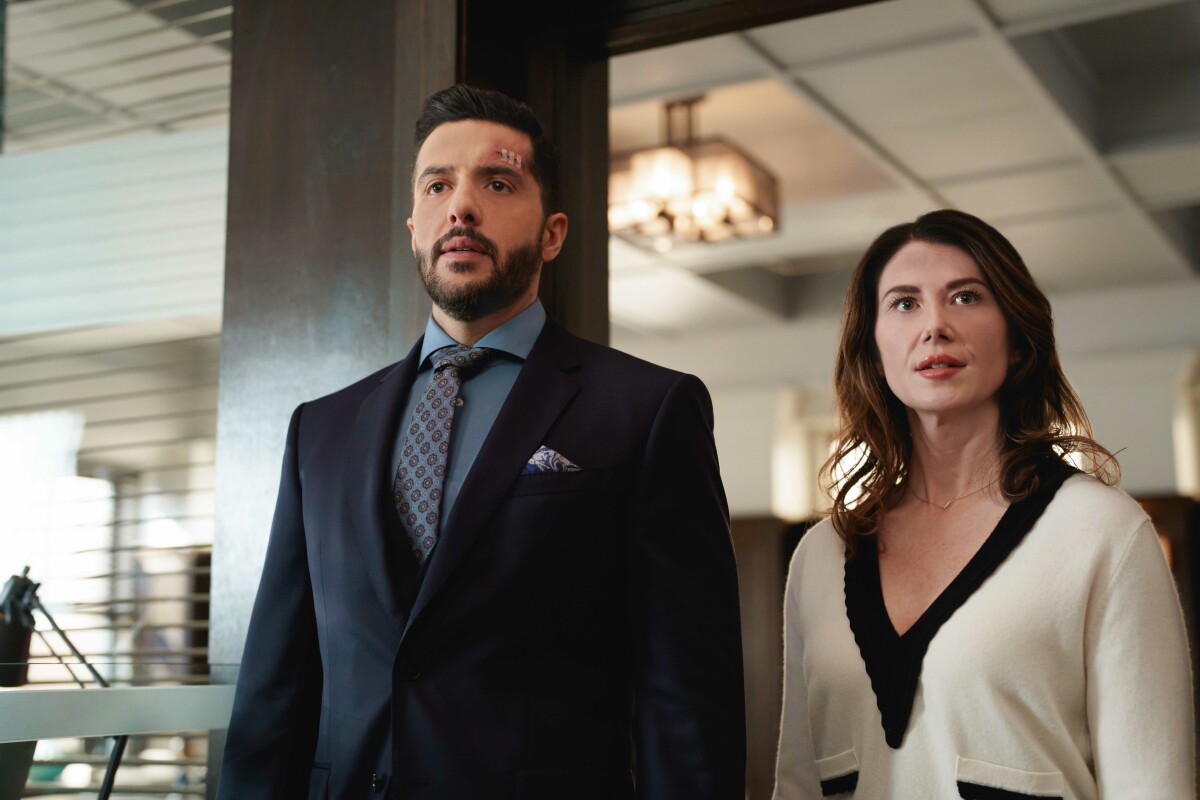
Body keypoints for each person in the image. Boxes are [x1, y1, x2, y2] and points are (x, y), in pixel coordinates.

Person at [216, 84, 746, 800]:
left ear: (553, 233)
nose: (461, 206)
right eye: (438, 185)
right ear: (413, 225)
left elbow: (686, 695)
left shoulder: (646, 409)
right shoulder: (323, 429)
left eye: (497, 183)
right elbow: (275, 688)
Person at [773, 209, 1194, 799]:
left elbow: (1153, 787)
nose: (935, 325)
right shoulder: (821, 554)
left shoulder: (1102, 531)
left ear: (1018, 339)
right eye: (903, 303)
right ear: (872, 349)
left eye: (966, 297)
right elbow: (797, 783)